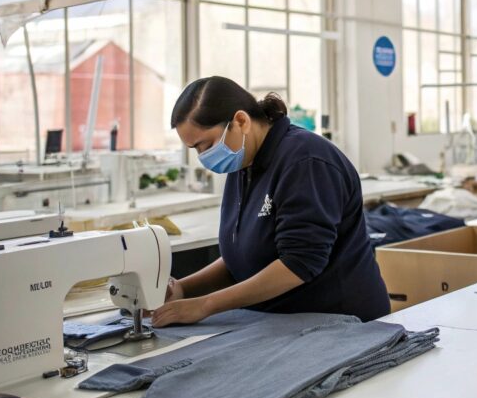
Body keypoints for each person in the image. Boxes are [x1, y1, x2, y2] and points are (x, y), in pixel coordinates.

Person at [152, 77, 389, 328]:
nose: (204, 157)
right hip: (279, 322)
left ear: (241, 121)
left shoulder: (306, 160)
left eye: (207, 145)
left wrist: (205, 304)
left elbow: (299, 263)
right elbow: (244, 256)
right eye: (195, 149)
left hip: (339, 321)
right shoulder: (243, 164)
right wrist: (182, 288)